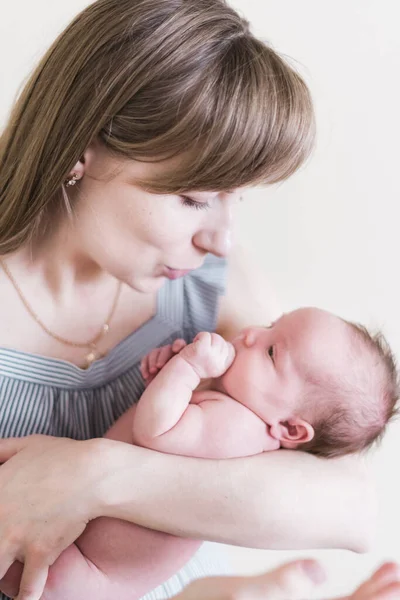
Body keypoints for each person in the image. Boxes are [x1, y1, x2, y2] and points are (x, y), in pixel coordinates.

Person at [0, 1, 377, 600]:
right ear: (82, 147)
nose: (222, 237)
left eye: (237, 198)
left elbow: (351, 507)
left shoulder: (213, 280)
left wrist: (92, 475)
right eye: (196, 197)